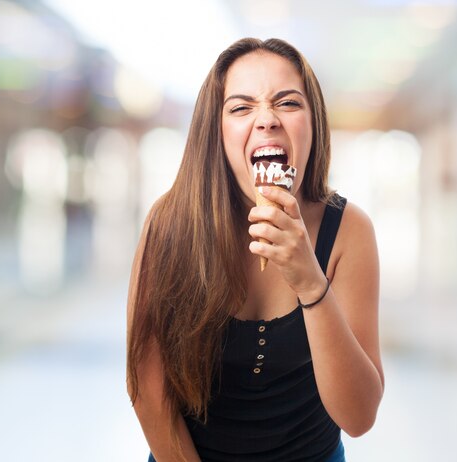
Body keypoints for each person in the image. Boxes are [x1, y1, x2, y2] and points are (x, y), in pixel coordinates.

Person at [127, 37, 384, 462]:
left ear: (313, 122)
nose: (266, 120)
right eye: (241, 107)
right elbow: (149, 397)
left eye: (287, 103)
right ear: (217, 130)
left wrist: (310, 282)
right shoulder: (170, 224)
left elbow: (358, 418)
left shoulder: (349, 231)